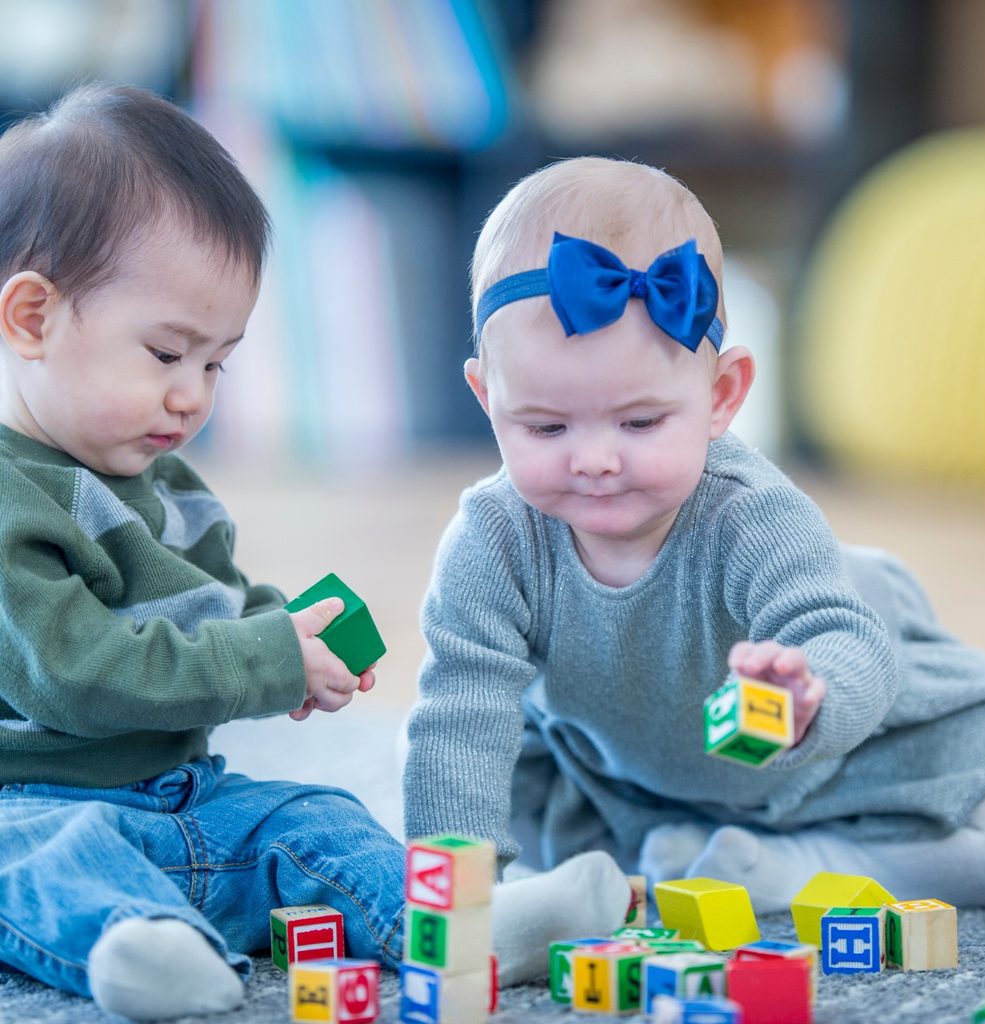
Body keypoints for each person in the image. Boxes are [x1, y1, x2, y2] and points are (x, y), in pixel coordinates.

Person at [0, 87, 630, 1021]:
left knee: (314, 819)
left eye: (215, 364)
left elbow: (214, 606)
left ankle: (462, 925)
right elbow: (75, 672)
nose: (192, 396)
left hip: (186, 806)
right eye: (167, 353)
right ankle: (139, 948)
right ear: (31, 317)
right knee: (41, 863)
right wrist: (258, 661)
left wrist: (285, 635)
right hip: (36, 806)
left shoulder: (164, 483)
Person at [402, 155, 985, 921]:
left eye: (639, 423)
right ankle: (691, 851)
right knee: (458, 775)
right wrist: (458, 903)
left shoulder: (748, 512)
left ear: (721, 395)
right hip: (627, 786)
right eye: (545, 426)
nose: (595, 459)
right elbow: (463, 705)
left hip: (845, 763)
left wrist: (809, 697)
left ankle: (816, 871)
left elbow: (845, 638)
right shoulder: (494, 540)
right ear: (487, 398)